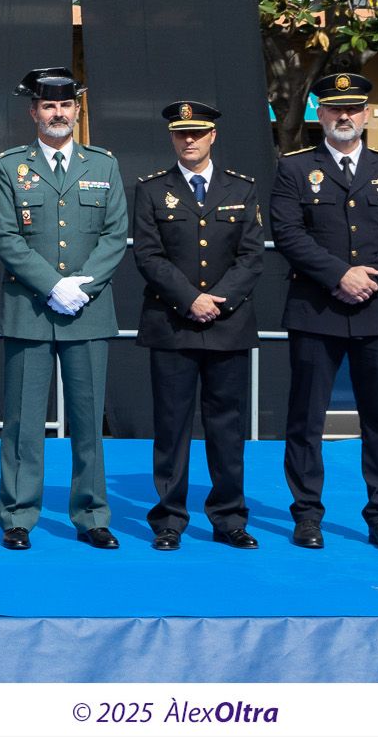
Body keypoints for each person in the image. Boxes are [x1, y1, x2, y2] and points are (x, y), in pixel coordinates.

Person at [269, 71, 378, 552]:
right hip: (317, 310)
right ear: (321, 113)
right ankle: (308, 515)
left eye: (353, 108)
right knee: (306, 419)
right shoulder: (294, 169)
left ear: (365, 114)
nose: (344, 116)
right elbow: (289, 234)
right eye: (335, 108)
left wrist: (368, 278)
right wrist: (341, 275)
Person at [0, 67, 129, 550]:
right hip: (31, 307)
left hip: (87, 309)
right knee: (24, 421)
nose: (58, 113)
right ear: (34, 112)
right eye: (48, 106)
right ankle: (18, 515)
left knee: (89, 422)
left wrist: (81, 287)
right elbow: (4, 236)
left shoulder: (103, 164)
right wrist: (52, 285)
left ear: (77, 110)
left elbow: (115, 235)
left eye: (66, 105)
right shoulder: (10, 166)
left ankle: (92, 515)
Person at [131, 101, 264, 551]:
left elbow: (251, 257)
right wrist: (190, 299)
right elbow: (148, 256)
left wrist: (217, 302)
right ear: (172, 138)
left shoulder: (241, 189)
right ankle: (169, 519)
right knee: (171, 427)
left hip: (227, 325)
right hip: (173, 323)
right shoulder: (151, 190)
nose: (190, 140)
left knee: (227, 427)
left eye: (198, 133)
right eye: (181, 133)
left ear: (213, 136)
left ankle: (229, 518)